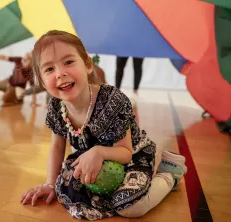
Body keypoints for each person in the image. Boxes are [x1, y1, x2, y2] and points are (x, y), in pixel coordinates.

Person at [19, 30, 187, 220]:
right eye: (49, 69)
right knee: (64, 190)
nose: (60, 73)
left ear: (88, 65)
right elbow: (57, 147)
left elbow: (125, 152)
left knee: (130, 208)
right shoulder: (56, 108)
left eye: (68, 62)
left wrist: (99, 152)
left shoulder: (112, 100)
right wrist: (49, 184)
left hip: (131, 156)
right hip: (93, 159)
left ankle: (167, 174)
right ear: (41, 80)